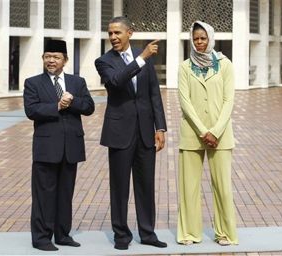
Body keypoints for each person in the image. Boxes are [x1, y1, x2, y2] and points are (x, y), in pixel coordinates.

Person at [94, 16, 167, 250]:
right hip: (119, 132)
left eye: (117, 33)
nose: (113, 37)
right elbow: (116, 81)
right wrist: (142, 58)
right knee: (120, 188)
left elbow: (154, 93)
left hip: (145, 132)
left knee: (146, 185)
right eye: (110, 34)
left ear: (130, 33)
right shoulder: (103, 61)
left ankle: (148, 234)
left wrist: (160, 127)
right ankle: (121, 236)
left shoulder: (141, 55)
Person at [23, 39, 95, 251]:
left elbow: (89, 107)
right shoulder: (33, 82)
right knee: (43, 194)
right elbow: (31, 110)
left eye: (56, 57)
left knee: (65, 193)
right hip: (46, 149)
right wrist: (57, 105)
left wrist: (71, 102)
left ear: (65, 60)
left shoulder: (77, 82)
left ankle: (62, 234)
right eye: (47, 57)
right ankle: (41, 238)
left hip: (70, 148)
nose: (51, 61)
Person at [177, 21, 238, 246]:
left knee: (222, 186)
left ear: (210, 38)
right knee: (189, 187)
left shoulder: (225, 65)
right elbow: (184, 101)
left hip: (220, 135)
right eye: (195, 39)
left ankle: (225, 233)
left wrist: (216, 130)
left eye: (203, 38)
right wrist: (204, 131)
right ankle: (189, 233)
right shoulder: (185, 67)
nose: (199, 42)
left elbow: (228, 100)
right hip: (192, 134)